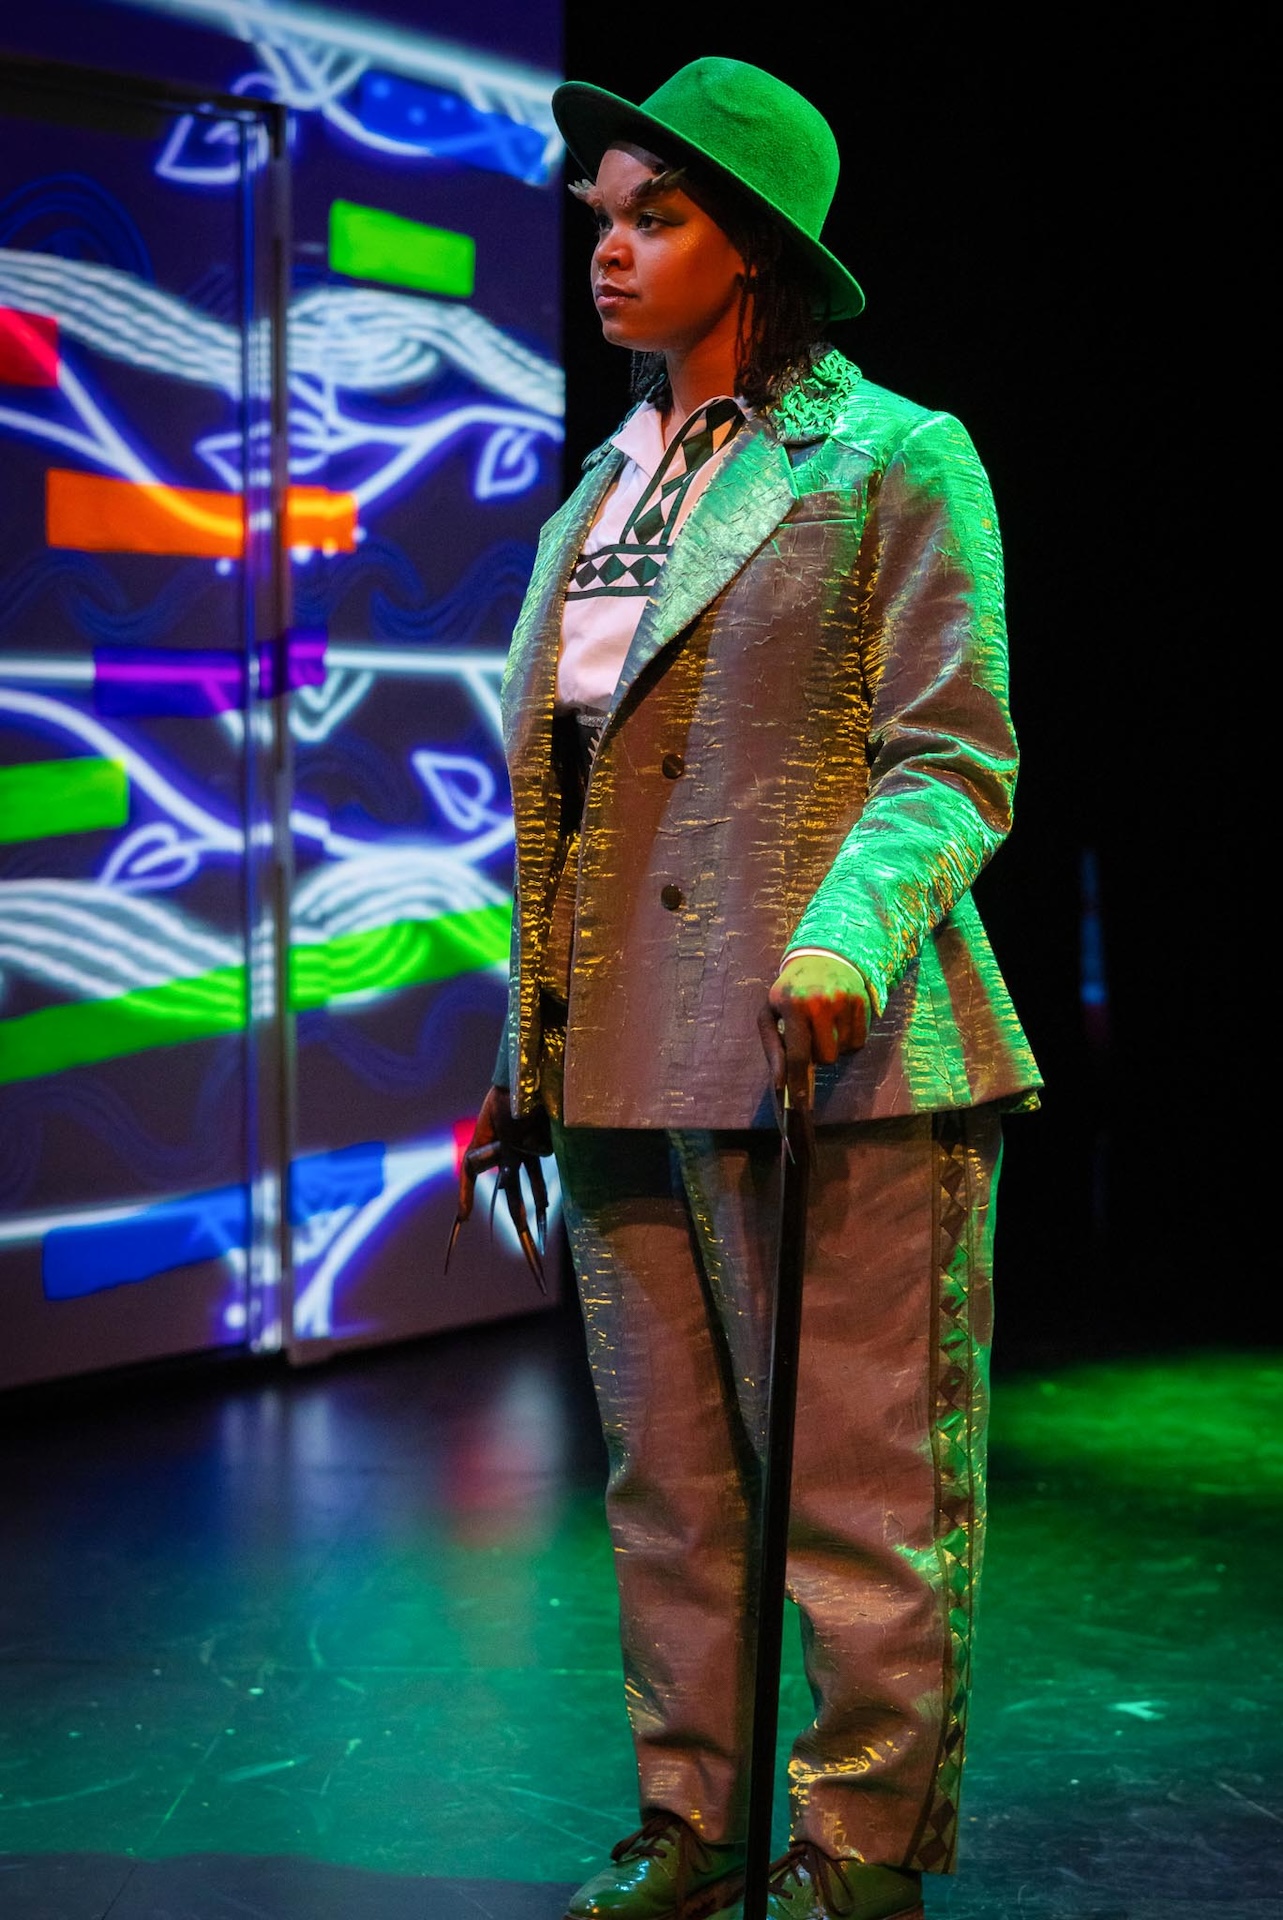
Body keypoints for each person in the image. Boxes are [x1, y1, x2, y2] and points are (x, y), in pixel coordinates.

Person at [456, 55, 1042, 1920]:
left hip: (840, 1051)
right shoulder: (596, 496)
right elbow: (568, 807)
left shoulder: (892, 458)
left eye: (659, 217)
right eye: (603, 217)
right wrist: (521, 1060)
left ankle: (862, 1848)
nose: (610, 252)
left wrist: (847, 932)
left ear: (756, 249)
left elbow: (953, 757)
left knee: (862, 1489)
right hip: (623, 1052)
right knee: (672, 1492)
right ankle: (691, 1820)